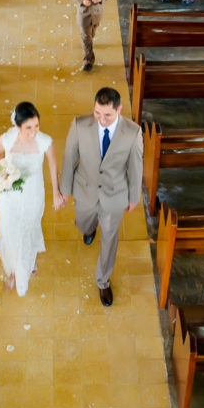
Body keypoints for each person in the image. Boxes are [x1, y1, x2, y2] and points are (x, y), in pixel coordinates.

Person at [59, 87, 143, 307]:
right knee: (83, 222)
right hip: (84, 189)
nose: (102, 119)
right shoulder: (79, 125)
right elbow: (69, 158)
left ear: (119, 109)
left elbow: (135, 166)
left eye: (107, 115)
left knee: (110, 237)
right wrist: (64, 190)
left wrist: (134, 196)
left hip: (114, 195)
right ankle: (88, 228)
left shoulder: (132, 132)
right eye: (97, 113)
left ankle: (103, 280)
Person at [0, 102, 64, 296]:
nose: (34, 132)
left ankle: (23, 268)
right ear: (18, 126)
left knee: (28, 229)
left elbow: (52, 165)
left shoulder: (45, 142)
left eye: (37, 126)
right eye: (29, 127)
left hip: (33, 194)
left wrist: (56, 192)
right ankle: (13, 268)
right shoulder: (7, 139)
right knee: (9, 228)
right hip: (10, 196)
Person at [70, 0, 112, 72]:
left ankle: (89, 40)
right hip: (84, 15)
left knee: (91, 34)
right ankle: (88, 61)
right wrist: (82, 0)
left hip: (97, 14)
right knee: (86, 38)